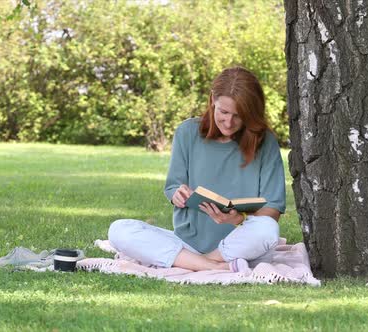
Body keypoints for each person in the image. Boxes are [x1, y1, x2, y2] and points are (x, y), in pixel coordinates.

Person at [108, 66, 286, 272]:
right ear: (212, 100)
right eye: (224, 112)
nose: (228, 122)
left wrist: (238, 219)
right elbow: (173, 186)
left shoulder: (266, 142)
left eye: (238, 115)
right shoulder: (187, 133)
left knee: (268, 229)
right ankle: (217, 267)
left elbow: (272, 209)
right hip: (187, 245)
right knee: (119, 230)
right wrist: (177, 194)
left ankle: (200, 263)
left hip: (241, 248)